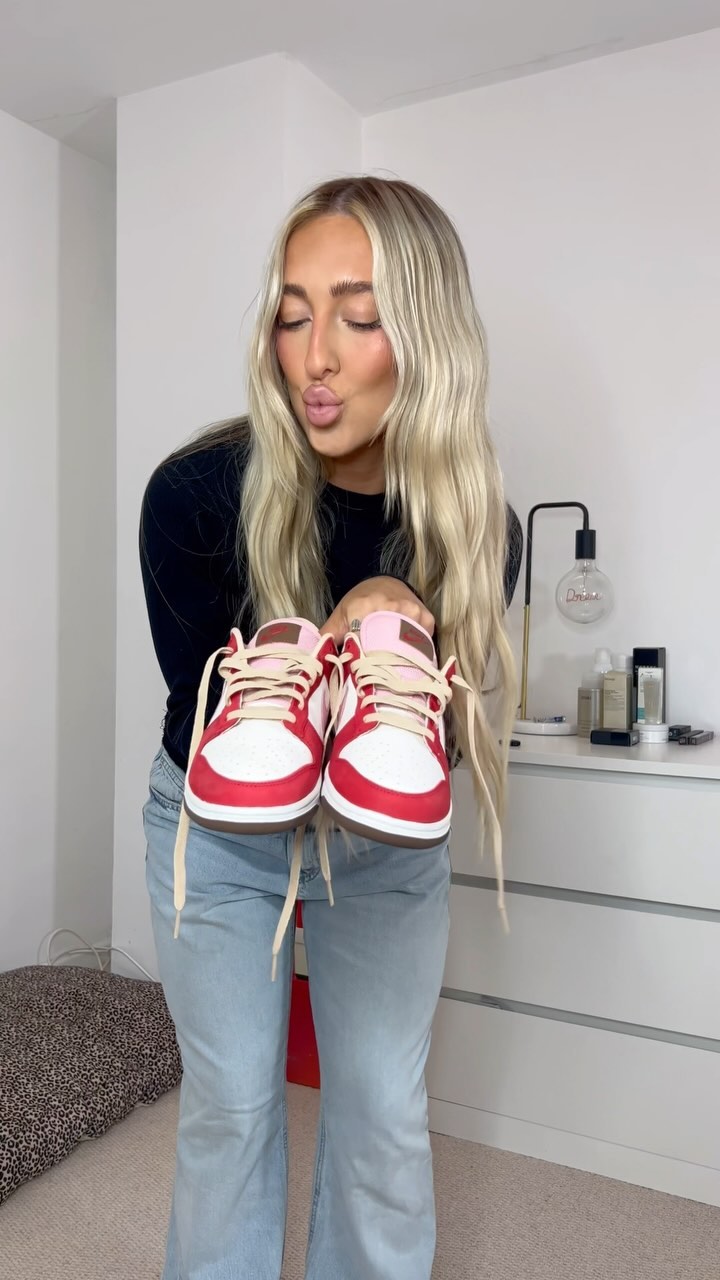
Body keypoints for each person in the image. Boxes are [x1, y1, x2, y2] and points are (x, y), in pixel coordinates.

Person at [140, 175, 521, 1280]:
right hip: (217, 832)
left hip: (378, 848)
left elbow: (428, 761)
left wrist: (397, 632)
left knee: (382, 1111)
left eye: (358, 318)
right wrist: (319, 646)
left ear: (425, 337)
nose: (314, 357)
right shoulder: (195, 494)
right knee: (232, 1106)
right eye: (292, 314)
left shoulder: (473, 527)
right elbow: (209, 727)